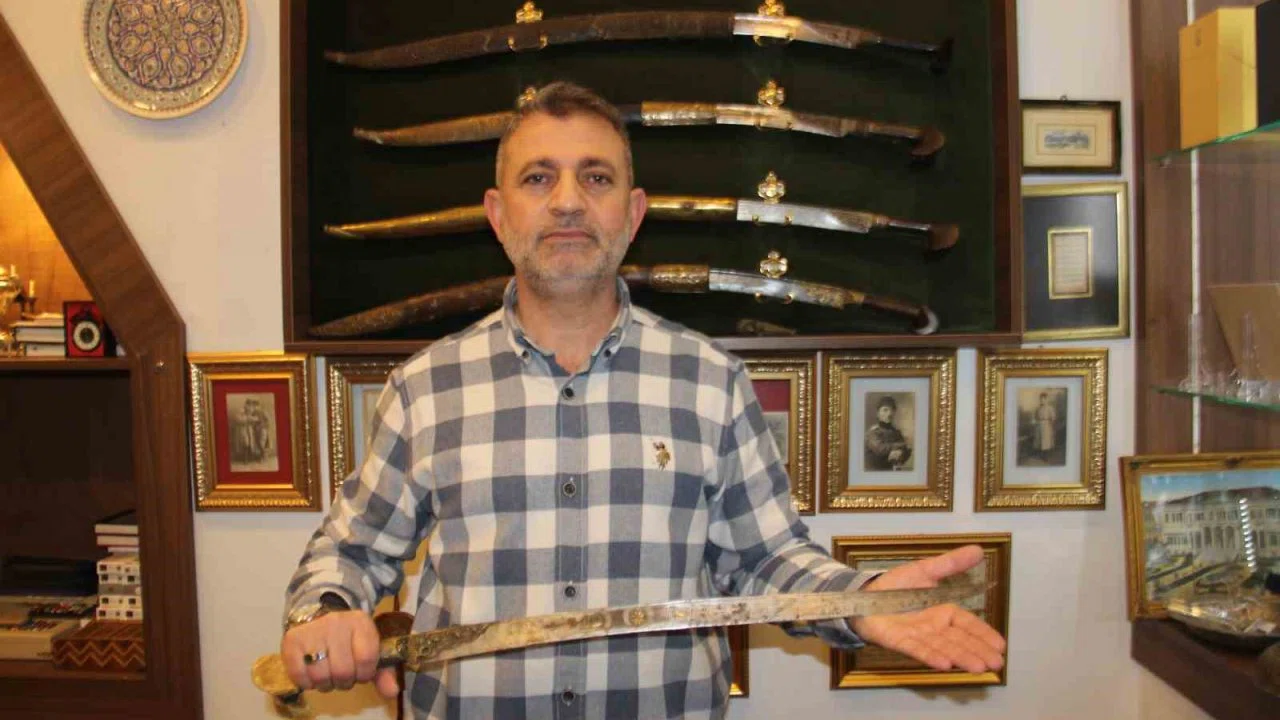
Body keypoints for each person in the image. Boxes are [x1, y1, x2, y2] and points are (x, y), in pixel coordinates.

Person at [280, 82, 1005, 719]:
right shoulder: (425, 387)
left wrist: (864, 601)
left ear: (632, 214)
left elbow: (769, 559)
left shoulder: (711, 381)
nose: (568, 200)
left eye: (595, 177)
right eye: (539, 177)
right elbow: (349, 551)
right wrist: (327, 612)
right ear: (498, 216)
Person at [864, 395, 912, 471]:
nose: (889, 414)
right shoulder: (873, 432)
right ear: (878, 413)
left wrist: (900, 454)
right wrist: (900, 446)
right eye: (885, 410)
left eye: (892, 410)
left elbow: (907, 450)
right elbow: (881, 449)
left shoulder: (896, 432)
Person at [1035, 392, 1058, 461]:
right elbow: (1036, 417)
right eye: (1041, 399)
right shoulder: (1038, 408)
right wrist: (1037, 422)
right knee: (1040, 440)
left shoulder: (1050, 408)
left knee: (1046, 440)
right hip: (1040, 425)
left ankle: (1046, 456)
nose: (1042, 400)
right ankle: (1041, 454)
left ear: (1046, 399)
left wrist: (1051, 425)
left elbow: (1053, 417)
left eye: (1043, 399)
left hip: (1047, 424)